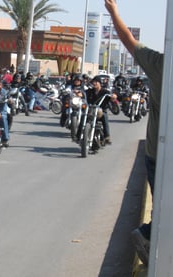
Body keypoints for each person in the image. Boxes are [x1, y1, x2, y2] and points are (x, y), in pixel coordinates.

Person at [105, 0, 163, 266]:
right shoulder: (160, 64)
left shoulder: (159, 63)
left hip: (156, 152)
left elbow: (128, 40)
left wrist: (113, 12)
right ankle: (147, 235)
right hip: (157, 153)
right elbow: (128, 40)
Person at [76, 76, 114, 144]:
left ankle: (107, 136)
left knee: (105, 116)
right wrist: (79, 93)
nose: (94, 84)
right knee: (83, 117)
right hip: (90, 111)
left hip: (100, 112)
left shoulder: (105, 92)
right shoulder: (90, 91)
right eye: (93, 82)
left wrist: (113, 97)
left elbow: (112, 97)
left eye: (96, 82)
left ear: (99, 83)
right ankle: (78, 136)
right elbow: (83, 93)